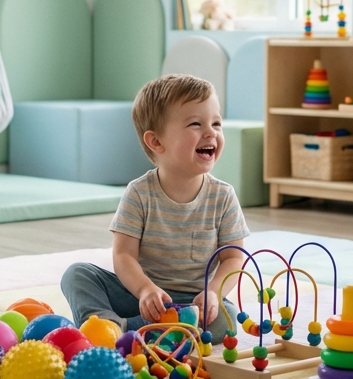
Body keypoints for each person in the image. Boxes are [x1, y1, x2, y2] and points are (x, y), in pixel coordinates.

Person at [61, 74, 248, 339]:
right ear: (156, 142)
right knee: (77, 274)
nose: (211, 133)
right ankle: (106, 324)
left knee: (225, 324)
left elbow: (233, 258)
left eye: (216, 123)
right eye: (196, 124)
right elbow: (124, 256)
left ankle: (128, 329)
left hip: (194, 303)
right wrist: (145, 290)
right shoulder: (139, 193)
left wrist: (214, 293)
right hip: (139, 294)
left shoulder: (223, 196)